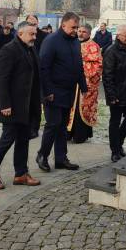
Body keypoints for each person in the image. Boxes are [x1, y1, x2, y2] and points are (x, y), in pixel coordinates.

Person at [0, 22, 42, 190]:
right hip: (11, 105)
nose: (34, 37)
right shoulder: (9, 50)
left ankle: (21, 174)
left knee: (23, 139)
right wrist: (5, 104)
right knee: (7, 139)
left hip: (27, 104)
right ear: (20, 33)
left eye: (35, 34)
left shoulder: (30, 48)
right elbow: (2, 80)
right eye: (31, 34)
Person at [36, 12, 87, 172]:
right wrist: (47, 91)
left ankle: (60, 158)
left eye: (77, 28)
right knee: (53, 124)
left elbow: (78, 66)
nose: (76, 31)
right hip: (53, 91)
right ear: (63, 25)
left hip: (69, 91)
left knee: (63, 126)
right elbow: (44, 68)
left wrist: (84, 87)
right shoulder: (51, 41)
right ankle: (42, 155)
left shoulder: (74, 42)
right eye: (73, 27)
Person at [103, 25, 126, 162]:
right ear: (118, 36)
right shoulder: (111, 51)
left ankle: (119, 144)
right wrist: (112, 96)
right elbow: (107, 76)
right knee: (115, 122)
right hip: (117, 94)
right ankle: (115, 150)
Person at [69, 23, 103, 144]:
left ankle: (80, 135)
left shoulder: (94, 46)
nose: (80, 33)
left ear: (89, 33)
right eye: (79, 31)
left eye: (83, 32)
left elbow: (98, 65)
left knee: (81, 110)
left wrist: (81, 69)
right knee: (69, 108)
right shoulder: (72, 43)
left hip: (85, 83)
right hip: (71, 83)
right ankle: (68, 133)